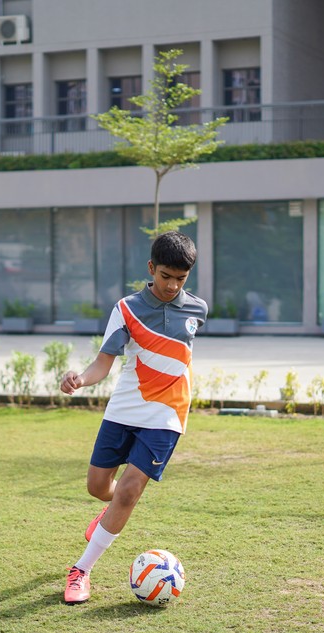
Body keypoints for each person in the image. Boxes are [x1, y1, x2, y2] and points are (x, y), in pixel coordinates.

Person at [59, 230, 208, 605]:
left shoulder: (198, 310)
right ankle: (109, 513)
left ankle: (81, 570)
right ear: (151, 268)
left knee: (128, 491)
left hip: (168, 413)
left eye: (181, 278)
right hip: (124, 408)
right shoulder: (126, 309)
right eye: (166, 276)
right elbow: (102, 363)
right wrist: (80, 379)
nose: (172, 285)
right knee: (98, 487)